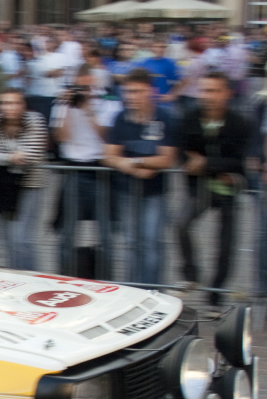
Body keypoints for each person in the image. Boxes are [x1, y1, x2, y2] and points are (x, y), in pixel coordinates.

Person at [178, 71, 251, 306]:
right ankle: (192, 275)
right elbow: (183, 153)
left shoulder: (239, 123)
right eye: (204, 90)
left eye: (213, 90)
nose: (207, 96)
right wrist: (193, 162)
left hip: (229, 190)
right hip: (201, 188)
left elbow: (240, 161)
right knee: (180, 224)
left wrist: (206, 163)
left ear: (227, 94)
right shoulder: (190, 118)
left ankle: (214, 297)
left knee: (226, 244)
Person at [103, 68, 178, 286]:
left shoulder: (164, 118)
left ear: (151, 92)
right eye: (127, 92)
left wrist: (131, 162)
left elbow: (166, 159)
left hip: (155, 192)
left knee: (151, 243)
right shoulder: (120, 117)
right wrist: (131, 165)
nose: (130, 96)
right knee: (130, 243)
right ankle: (134, 289)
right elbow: (108, 155)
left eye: (137, 91)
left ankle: (153, 290)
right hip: (126, 190)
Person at [51, 65, 122, 277]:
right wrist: (65, 107)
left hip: (99, 170)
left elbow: (106, 136)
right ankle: (63, 278)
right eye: (80, 85)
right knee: (66, 232)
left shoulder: (108, 101)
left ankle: (108, 281)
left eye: (88, 85)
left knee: (105, 234)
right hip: (73, 170)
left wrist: (89, 108)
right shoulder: (64, 102)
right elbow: (61, 137)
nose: (84, 90)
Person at [0, 88, 48, 271]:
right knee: (6, 239)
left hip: (29, 185)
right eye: (4, 103)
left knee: (21, 238)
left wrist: (2, 157)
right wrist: (11, 158)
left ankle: (30, 279)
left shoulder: (35, 120)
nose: (9, 107)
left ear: (23, 105)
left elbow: (31, 155)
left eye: (15, 102)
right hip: (2, 186)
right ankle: (13, 276)